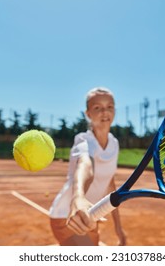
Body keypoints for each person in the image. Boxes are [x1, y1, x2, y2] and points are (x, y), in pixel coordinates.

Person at [49, 87, 126, 246]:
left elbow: (110, 185)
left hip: (89, 213)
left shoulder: (114, 143)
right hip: (68, 215)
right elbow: (85, 166)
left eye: (109, 107)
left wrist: (118, 227)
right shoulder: (83, 140)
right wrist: (78, 197)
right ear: (88, 114)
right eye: (97, 108)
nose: (105, 112)